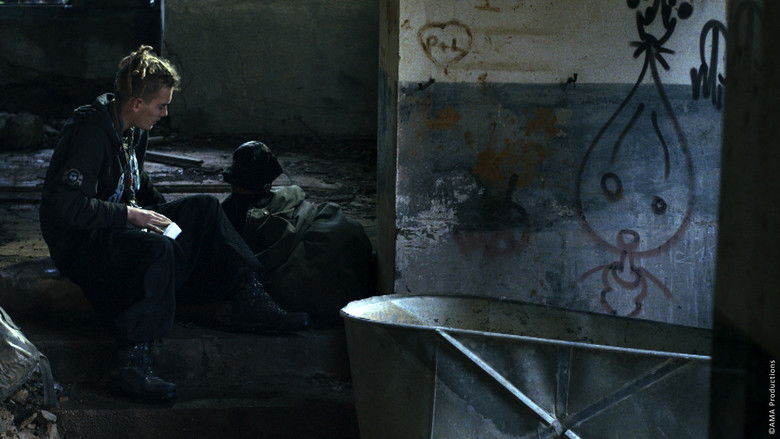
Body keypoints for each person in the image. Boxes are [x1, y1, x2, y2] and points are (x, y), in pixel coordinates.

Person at [39, 46, 309, 402]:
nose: (165, 113)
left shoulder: (133, 128)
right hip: (83, 244)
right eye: (161, 106)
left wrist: (169, 214)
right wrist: (131, 215)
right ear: (137, 103)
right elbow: (65, 205)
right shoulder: (89, 132)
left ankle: (248, 297)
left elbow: (135, 183)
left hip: (115, 225)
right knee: (156, 248)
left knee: (203, 209)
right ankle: (133, 361)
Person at [221, 141, 375, 327]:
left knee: (345, 233)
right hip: (301, 255)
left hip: (319, 228)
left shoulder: (282, 198)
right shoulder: (233, 210)